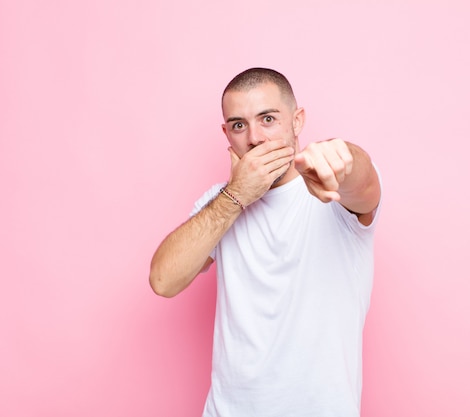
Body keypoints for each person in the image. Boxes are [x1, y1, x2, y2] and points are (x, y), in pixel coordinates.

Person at [149, 67, 382, 417]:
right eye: (239, 125)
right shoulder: (221, 203)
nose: (255, 138)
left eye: (268, 119)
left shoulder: (332, 191)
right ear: (227, 134)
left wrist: (341, 157)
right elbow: (163, 281)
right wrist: (236, 195)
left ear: (297, 120)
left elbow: (362, 183)